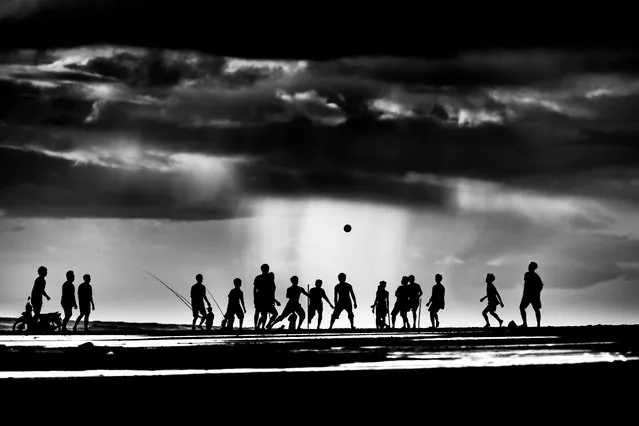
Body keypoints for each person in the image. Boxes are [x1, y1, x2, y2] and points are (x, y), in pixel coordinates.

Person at [520, 262, 544, 327]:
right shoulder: (531, 275)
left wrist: (537, 293)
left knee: (535, 309)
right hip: (529, 295)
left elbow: (541, 285)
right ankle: (527, 323)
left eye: (530, 266)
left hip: (530, 295)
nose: (529, 267)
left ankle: (536, 324)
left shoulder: (532, 275)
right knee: (523, 308)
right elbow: (541, 285)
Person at [253, 264, 270, 328]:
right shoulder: (258, 277)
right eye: (265, 269)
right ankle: (256, 326)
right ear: (262, 269)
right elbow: (255, 289)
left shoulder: (269, 278)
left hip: (266, 298)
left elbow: (271, 289)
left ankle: (262, 326)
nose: (266, 270)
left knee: (264, 313)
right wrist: (255, 298)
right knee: (258, 312)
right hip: (259, 297)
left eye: (267, 269)